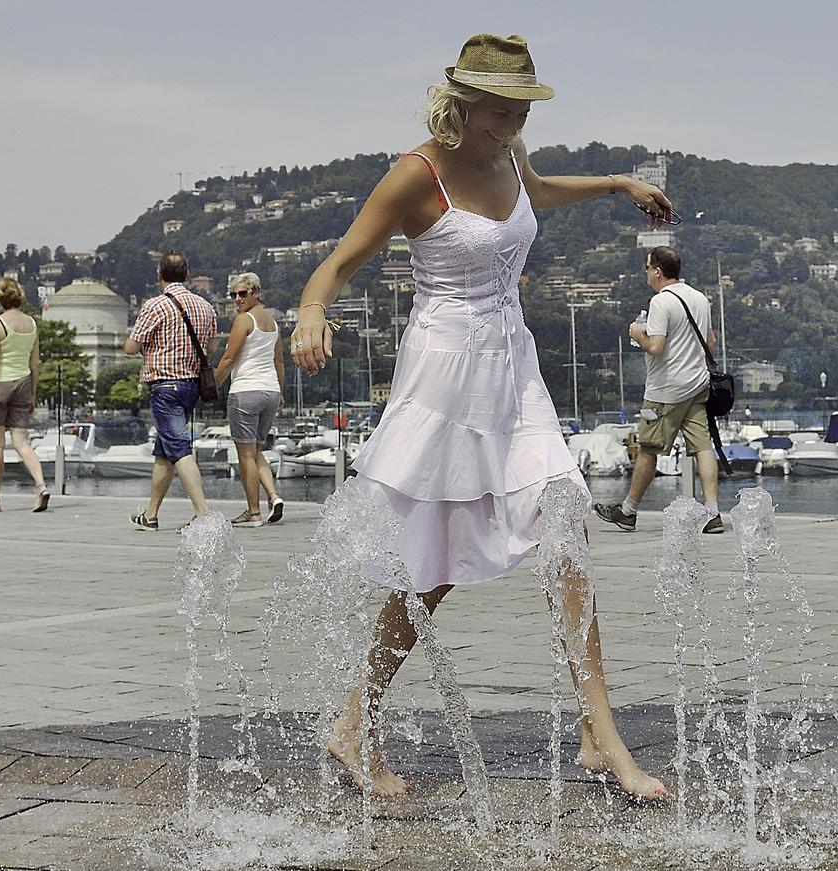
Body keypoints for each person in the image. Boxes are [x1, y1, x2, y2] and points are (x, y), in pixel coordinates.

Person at [289, 33, 676, 800]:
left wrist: (613, 185)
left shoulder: (509, 154)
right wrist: (309, 314)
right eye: (502, 110)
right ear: (463, 100)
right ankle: (352, 726)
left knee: (567, 518)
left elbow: (538, 191)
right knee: (426, 569)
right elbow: (336, 265)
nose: (512, 123)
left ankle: (601, 733)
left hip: (513, 365)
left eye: (521, 110)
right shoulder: (416, 173)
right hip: (444, 373)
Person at [594, 246, 723, 534]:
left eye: (647, 267)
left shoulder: (661, 303)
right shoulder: (700, 299)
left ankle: (627, 511)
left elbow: (655, 346)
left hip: (664, 391)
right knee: (703, 447)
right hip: (697, 386)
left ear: (658, 271)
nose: (646, 273)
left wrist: (636, 332)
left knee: (648, 450)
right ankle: (712, 513)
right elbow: (711, 342)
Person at [123, 252, 217, 529]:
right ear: (187, 275)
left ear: (158, 274)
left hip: (165, 386)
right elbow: (211, 349)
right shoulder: (205, 306)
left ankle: (203, 514)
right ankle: (150, 515)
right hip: (191, 386)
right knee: (164, 452)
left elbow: (131, 347)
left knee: (179, 448)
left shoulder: (155, 306)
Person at [211, 272, 285, 527]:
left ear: (256, 293)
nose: (237, 299)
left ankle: (253, 512)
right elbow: (279, 362)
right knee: (256, 450)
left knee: (245, 455)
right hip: (270, 393)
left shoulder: (244, 320)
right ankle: (273, 495)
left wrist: (212, 387)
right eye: (234, 295)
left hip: (246, 392)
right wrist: (281, 393)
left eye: (243, 293)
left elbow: (229, 359)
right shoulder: (274, 323)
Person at [0, 276, 50, 513]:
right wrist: (33, 395)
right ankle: (41, 485)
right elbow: (35, 363)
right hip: (24, 383)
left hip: (1, 385)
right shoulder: (32, 324)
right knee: (22, 442)